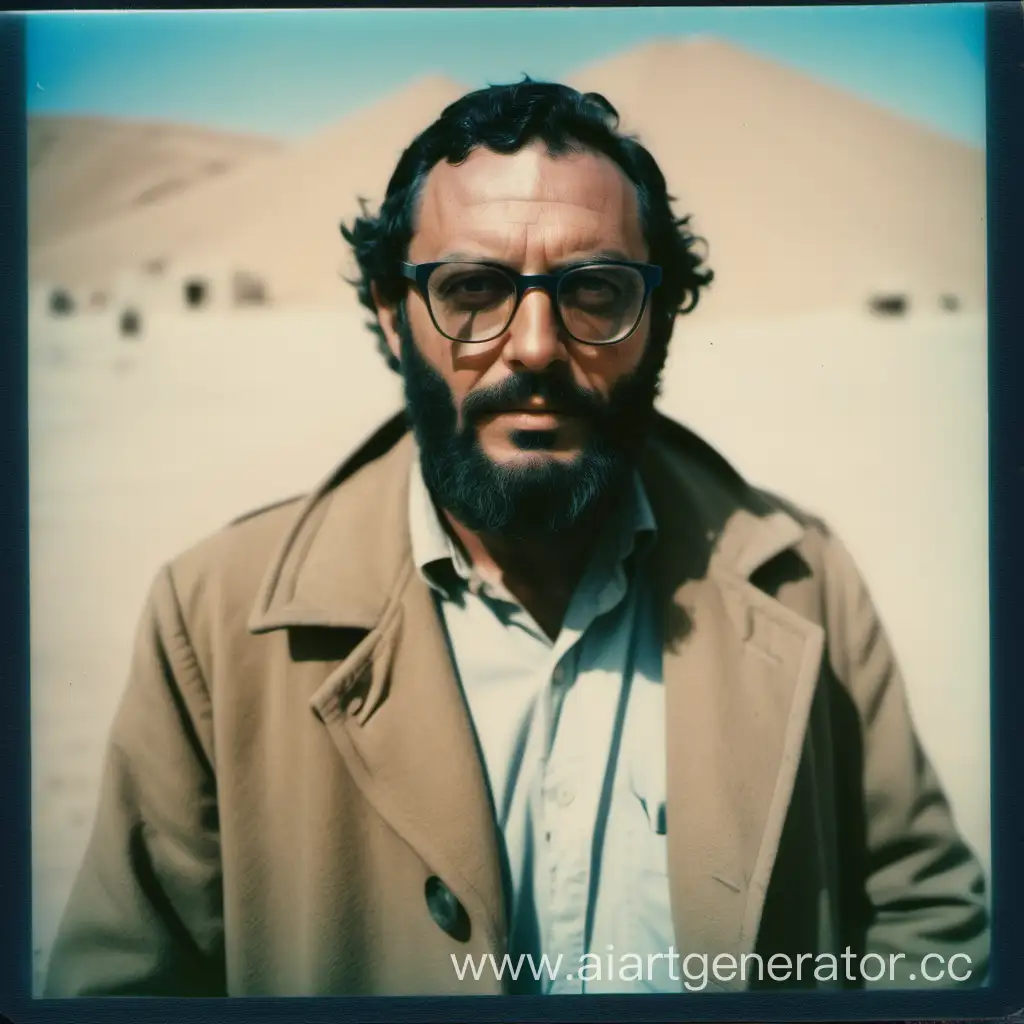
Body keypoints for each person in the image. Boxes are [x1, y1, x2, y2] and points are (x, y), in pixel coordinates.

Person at [45, 79, 988, 997]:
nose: (535, 344)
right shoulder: (215, 623)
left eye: (596, 291)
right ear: (391, 313)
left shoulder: (802, 585)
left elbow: (928, 921)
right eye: (471, 289)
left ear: (657, 320)